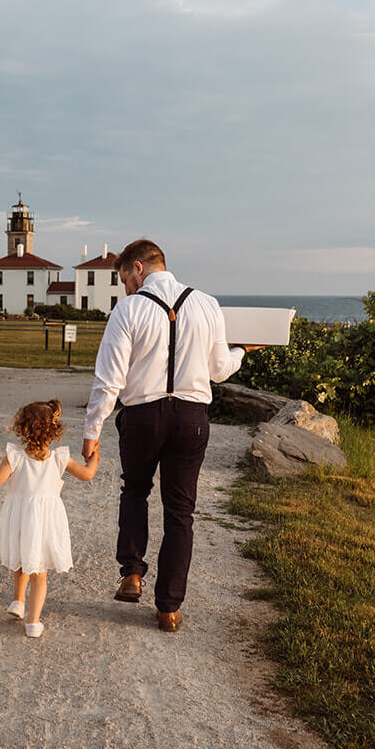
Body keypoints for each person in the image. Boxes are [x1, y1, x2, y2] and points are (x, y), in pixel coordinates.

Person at [81, 239, 256, 633]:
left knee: (135, 491)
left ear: (138, 268)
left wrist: (92, 430)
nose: (125, 287)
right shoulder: (207, 304)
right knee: (181, 512)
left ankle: (132, 573)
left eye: (125, 277)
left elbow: (109, 379)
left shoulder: (128, 309)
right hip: (192, 418)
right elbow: (219, 369)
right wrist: (242, 349)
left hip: (142, 416)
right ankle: (169, 609)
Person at [0, 399, 98, 638]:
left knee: (22, 559)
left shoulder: (15, 457)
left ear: (22, 428)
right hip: (45, 522)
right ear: (54, 430)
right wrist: (95, 455)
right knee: (39, 572)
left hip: (19, 518)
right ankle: (32, 620)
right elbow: (88, 474)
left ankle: (18, 601)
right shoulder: (60, 458)